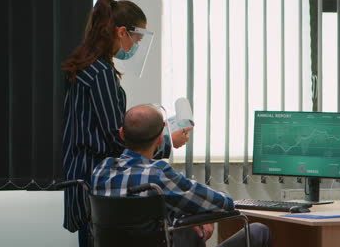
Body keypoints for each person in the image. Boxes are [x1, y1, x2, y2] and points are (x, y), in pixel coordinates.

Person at [62, 0, 192, 247]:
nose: (135, 46)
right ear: (122, 32)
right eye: (137, 39)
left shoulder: (85, 68)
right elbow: (116, 136)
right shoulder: (100, 74)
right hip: (96, 184)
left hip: (83, 180)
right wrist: (166, 141)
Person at [92, 104, 272, 247]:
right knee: (258, 231)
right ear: (161, 138)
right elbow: (223, 204)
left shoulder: (101, 171)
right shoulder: (158, 175)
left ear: (122, 133)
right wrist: (196, 216)